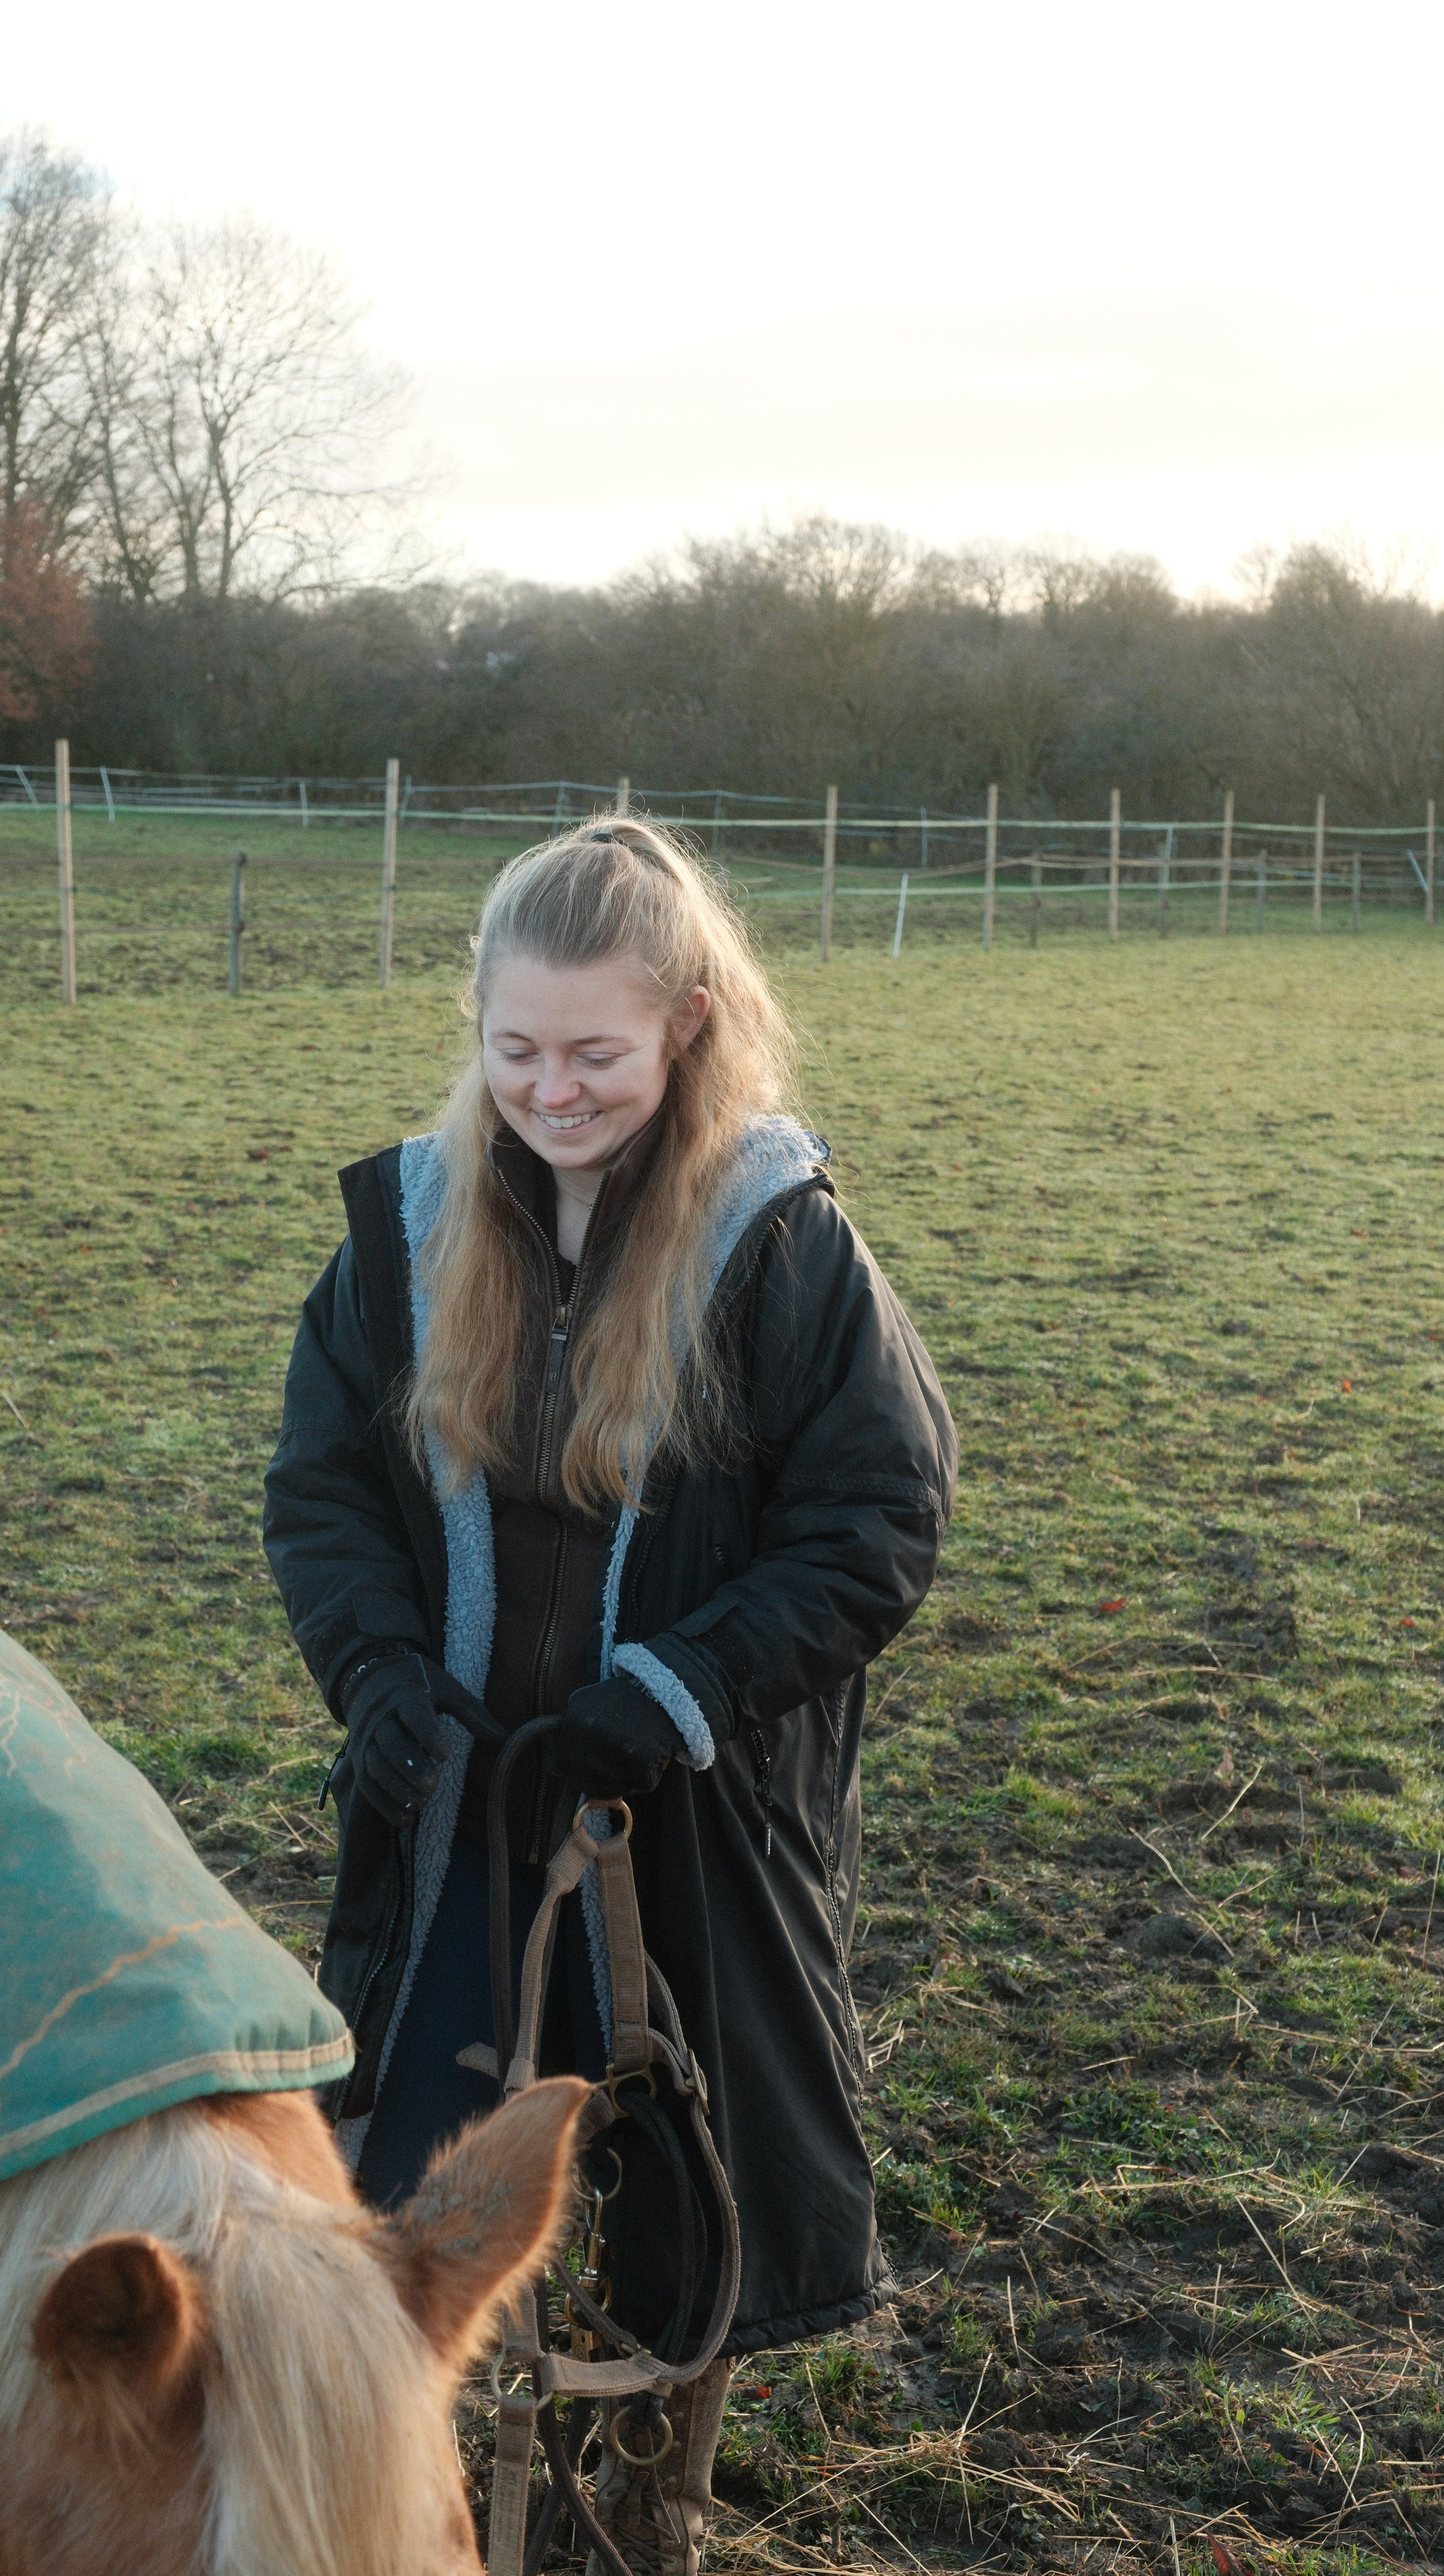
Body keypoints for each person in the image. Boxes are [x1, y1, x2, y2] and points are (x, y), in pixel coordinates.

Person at [264, 818, 956, 2575]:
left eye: (595, 1054)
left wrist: (671, 1695)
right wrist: (384, 1687)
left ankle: (658, 2475)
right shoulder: (404, 1233)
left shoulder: (784, 1247)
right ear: (477, 1031)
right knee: (407, 2151)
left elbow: (877, 1519)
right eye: (516, 1052)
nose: (551, 1091)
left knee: (685, 2160)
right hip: (460, 1792)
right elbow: (326, 1487)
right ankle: (393, 2465)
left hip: (686, 1811)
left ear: (691, 1027)